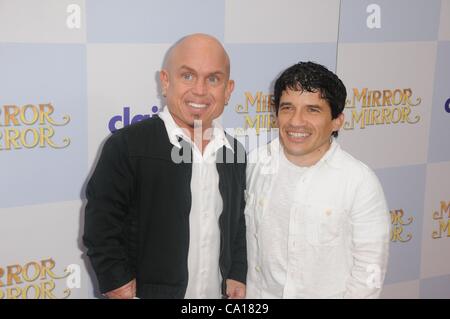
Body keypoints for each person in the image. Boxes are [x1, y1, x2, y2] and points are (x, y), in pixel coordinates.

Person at [83, 33, 247, 299]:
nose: (200, 90)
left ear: (228, 90)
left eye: (213, 79)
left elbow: (238, 224)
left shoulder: (235, 152)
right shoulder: (127, 146)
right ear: (165, 81)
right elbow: (101, 228)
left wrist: (237, 273)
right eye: (187, 76)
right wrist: (118, 285)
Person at [245, 61, 390, 298]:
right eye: (287, 107)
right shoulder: (256, 164)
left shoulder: (359, 182)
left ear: (337, 121)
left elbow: (368, 274)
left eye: (312, 110)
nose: (296, 121)